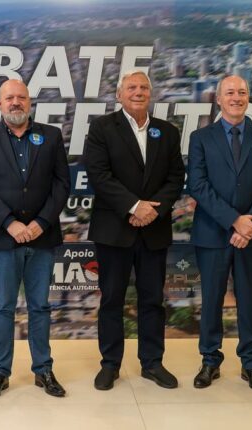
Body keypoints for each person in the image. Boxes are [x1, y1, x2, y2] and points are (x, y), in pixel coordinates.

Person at [84, 69, 185, 391]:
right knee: (112, 299)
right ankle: (110, 364)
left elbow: (175, 178)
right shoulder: (102, 128)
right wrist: (133, 206)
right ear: (119, 94)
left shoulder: (167, 131)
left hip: (153, 229)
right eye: (131, 87)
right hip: (114, 229)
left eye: (143, 87)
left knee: (152, 300)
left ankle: (152, 363)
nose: (138, 92)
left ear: (150, 94)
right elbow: (99, 175)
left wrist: (150, 211)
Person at [0, 79, 70, 401]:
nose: (16, 102)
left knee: (40, 306)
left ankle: (43, 369)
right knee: (2, 308)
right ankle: (0, 373)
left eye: (21, 97)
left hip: (42, 237)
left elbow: (62, 185)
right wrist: (10, 223)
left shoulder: (51, 135)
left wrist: (41, 222)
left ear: (30, 102)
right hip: (4, 238)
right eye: (9, 98)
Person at [187, 75, 252, 393]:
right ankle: (210, 361)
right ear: (219, 100)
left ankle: (251, 364)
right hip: (213, 233)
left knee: (248, 300)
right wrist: (233, 221)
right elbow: (196, 184)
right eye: (230, 93)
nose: (236, 97)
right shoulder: (201, 137)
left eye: (242, 92)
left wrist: (247, 225)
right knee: (211, 299)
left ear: (248, 98)